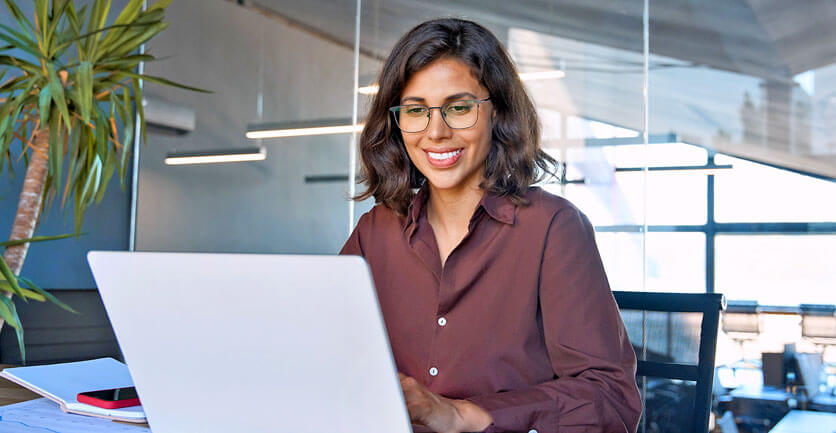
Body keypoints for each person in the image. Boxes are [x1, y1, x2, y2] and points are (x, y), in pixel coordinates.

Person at [340, 18, 641, 433]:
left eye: (458, 108)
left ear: (495, 112)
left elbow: (608, 397)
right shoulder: (375, 233)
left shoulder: (553, 228)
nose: (436, 132)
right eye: (415, 110)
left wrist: (460, 414)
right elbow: (328, 359)